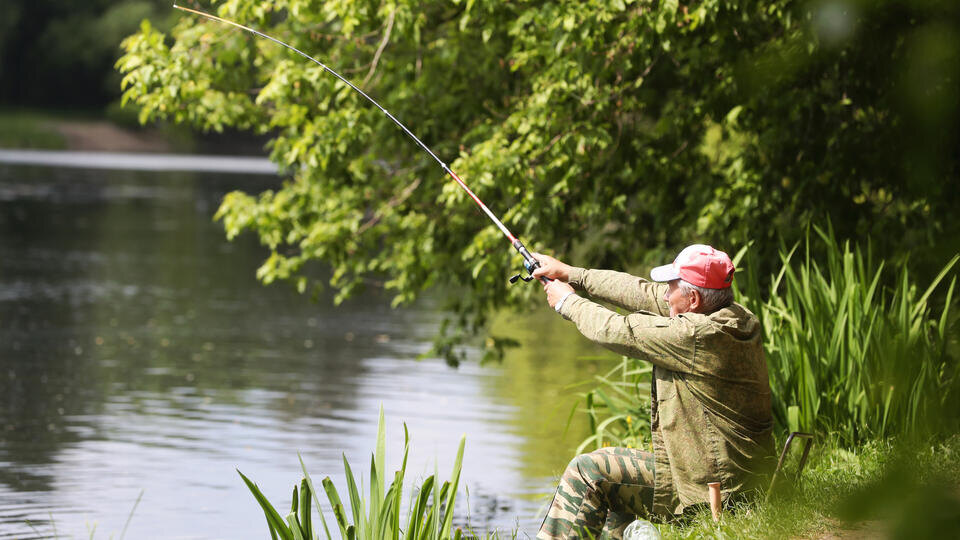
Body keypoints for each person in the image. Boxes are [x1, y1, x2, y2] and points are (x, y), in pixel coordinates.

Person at [531, 244, 776, 539]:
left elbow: (618, 330)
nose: (663, 294)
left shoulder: (696, 336)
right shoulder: (734, 317)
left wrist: (567, 302)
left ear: (694, 299)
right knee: (617, 479)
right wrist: (573, 274)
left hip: (714, 493)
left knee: (588, 471)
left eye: (670, 287)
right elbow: (642, 292)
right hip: (739, 479)